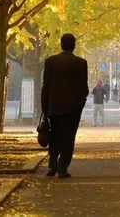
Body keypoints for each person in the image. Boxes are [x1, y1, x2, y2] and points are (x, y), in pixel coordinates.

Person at [41, 33, 89, 177]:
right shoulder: (81, 63)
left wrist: (45, 107)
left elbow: (46, 86)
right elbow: (83, 88)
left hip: (54, 107)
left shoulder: (50, 61)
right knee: (69, 136)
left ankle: (52, 165)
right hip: (73, 108)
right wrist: (80, 103)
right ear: (73, 45)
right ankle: (62, 167)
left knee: (54, 135)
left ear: (61, 44)